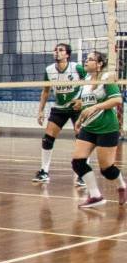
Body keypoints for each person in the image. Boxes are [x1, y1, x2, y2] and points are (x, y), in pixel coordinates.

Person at [71, 51, 126, 208]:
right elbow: (87, 104)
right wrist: (80, 118)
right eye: (86, 59)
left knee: (107, 169)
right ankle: (96, 196)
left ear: (99, 64)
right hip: (88, 127)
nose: (86, 61)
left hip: (107, 128)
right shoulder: (87, 80)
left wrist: (95, 107)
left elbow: (117, 100)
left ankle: (122, 186)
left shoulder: (106, 78)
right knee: (78, 162)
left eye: (90, 59)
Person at [33, 43, 87, 186]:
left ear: (67, 55)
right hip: (60, 108)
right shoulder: (49, 70)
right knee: (47, 139)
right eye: (55, 50)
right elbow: (46, 91)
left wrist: (82, 101)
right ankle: (44, 171)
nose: (57, 52)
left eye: (61, 50)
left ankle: (83, 174)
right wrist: (40, 111)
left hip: (77, 107)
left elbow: (90, 83)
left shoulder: (77, 68)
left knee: (82, 139)